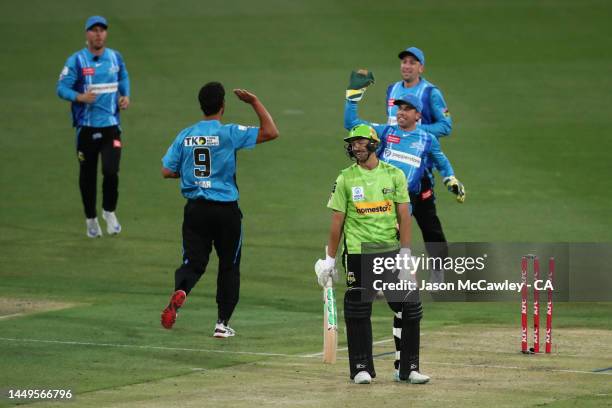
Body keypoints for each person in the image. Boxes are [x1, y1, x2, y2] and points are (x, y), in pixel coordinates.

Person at [160, 82, 279, 338]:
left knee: (193, 263)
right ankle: (222, 324)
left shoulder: (185, 135)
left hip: (195, 211)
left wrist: (191, 175)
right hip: (225, 212)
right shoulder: (229, 133)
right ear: (222, 106)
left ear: (201, 106)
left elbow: (167, 170)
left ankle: (181, 290)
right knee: (229, 265)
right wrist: (254, 102)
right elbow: (271, 132)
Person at [315, 124, 430, 385]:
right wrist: (330, 261)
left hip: (390, 251)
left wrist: (405, 253)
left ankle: (409, 368)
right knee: (358, 310)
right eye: (352, 143)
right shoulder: (345, 178)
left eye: (360, 142)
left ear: (373, 144)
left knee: (410, 307)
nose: (355, 146)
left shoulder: (394, 175)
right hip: (358, 252)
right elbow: (337, 221)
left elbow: (404, 215)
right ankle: (361, 368)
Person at [345, 67, 464, 283]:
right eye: (399, 108)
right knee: (384, 238)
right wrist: (352, 98)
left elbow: (442, 162)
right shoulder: (386, 132)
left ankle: (436, 272)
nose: (401, 112)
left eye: (407, 109)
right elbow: (351, 124)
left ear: (418, 115)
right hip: (387, 197)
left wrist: (451, 180)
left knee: (431, 232)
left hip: (417, 194)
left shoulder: (427, 139)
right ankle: (386, 280)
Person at [56, 16, 130, 238]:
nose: (98, 34)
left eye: (102, 30)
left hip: (111, 128)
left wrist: (125, 96)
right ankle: (91, 219)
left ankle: (109, 212)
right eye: (94, 30)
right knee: (87, 177)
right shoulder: (77, 61)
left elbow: (123, 76)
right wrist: (79, 96)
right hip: (86, 130)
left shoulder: (115, 58)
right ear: (87, 34)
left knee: (111, 170)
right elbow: (61, 88)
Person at [385, 47, 454, 279]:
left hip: (420, 171)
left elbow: (446, 126)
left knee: (428, 224)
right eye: (404, 62)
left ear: (421, 67)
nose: (407, 66)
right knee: (387, 225)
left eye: (412, 62)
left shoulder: (430, 93)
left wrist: (412, 132)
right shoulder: (392, 89)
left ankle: (439, 272)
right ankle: (389, 277)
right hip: (392, 171)